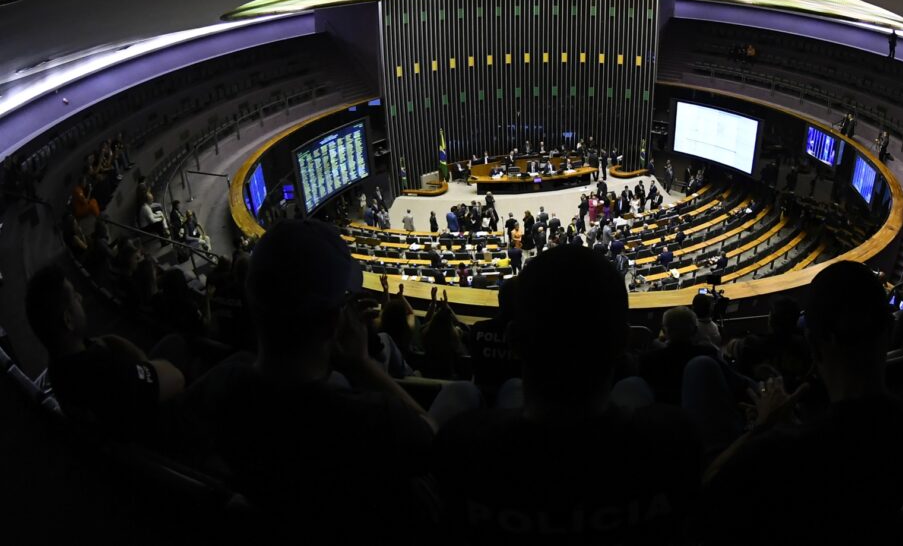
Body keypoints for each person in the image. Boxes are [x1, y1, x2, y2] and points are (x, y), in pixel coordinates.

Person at [182, 220, 479, 541]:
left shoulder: (220, 383)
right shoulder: (371, 417)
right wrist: (363, 365)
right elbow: (430, 438)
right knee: (463, 393)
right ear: (335, 323)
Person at [435, 247, 702, 544]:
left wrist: (370, 366)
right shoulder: (676, 441)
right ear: (624, 342)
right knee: (634, 388)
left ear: (513, 341)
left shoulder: (460, 448)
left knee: (498, 389)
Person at [702, 262, 903, 543]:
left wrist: (763, 426)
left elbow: (709, 488)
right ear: (889, 329)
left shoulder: (779, 452)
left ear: (814, 343)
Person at [24, 265, 186, 440]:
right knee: (182, 348)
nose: (80, 297)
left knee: (174, 342)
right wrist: (142, 363)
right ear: (68, 320)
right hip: (155, 430)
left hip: (123, 418)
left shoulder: (58, 368)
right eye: (74, 296)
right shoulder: (104, 369)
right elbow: (176, 378)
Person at [637, 307, 722, 406]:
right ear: (695, 330)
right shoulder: (709, 353)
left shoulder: (647, 360)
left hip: (663, 414)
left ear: (664, 331)